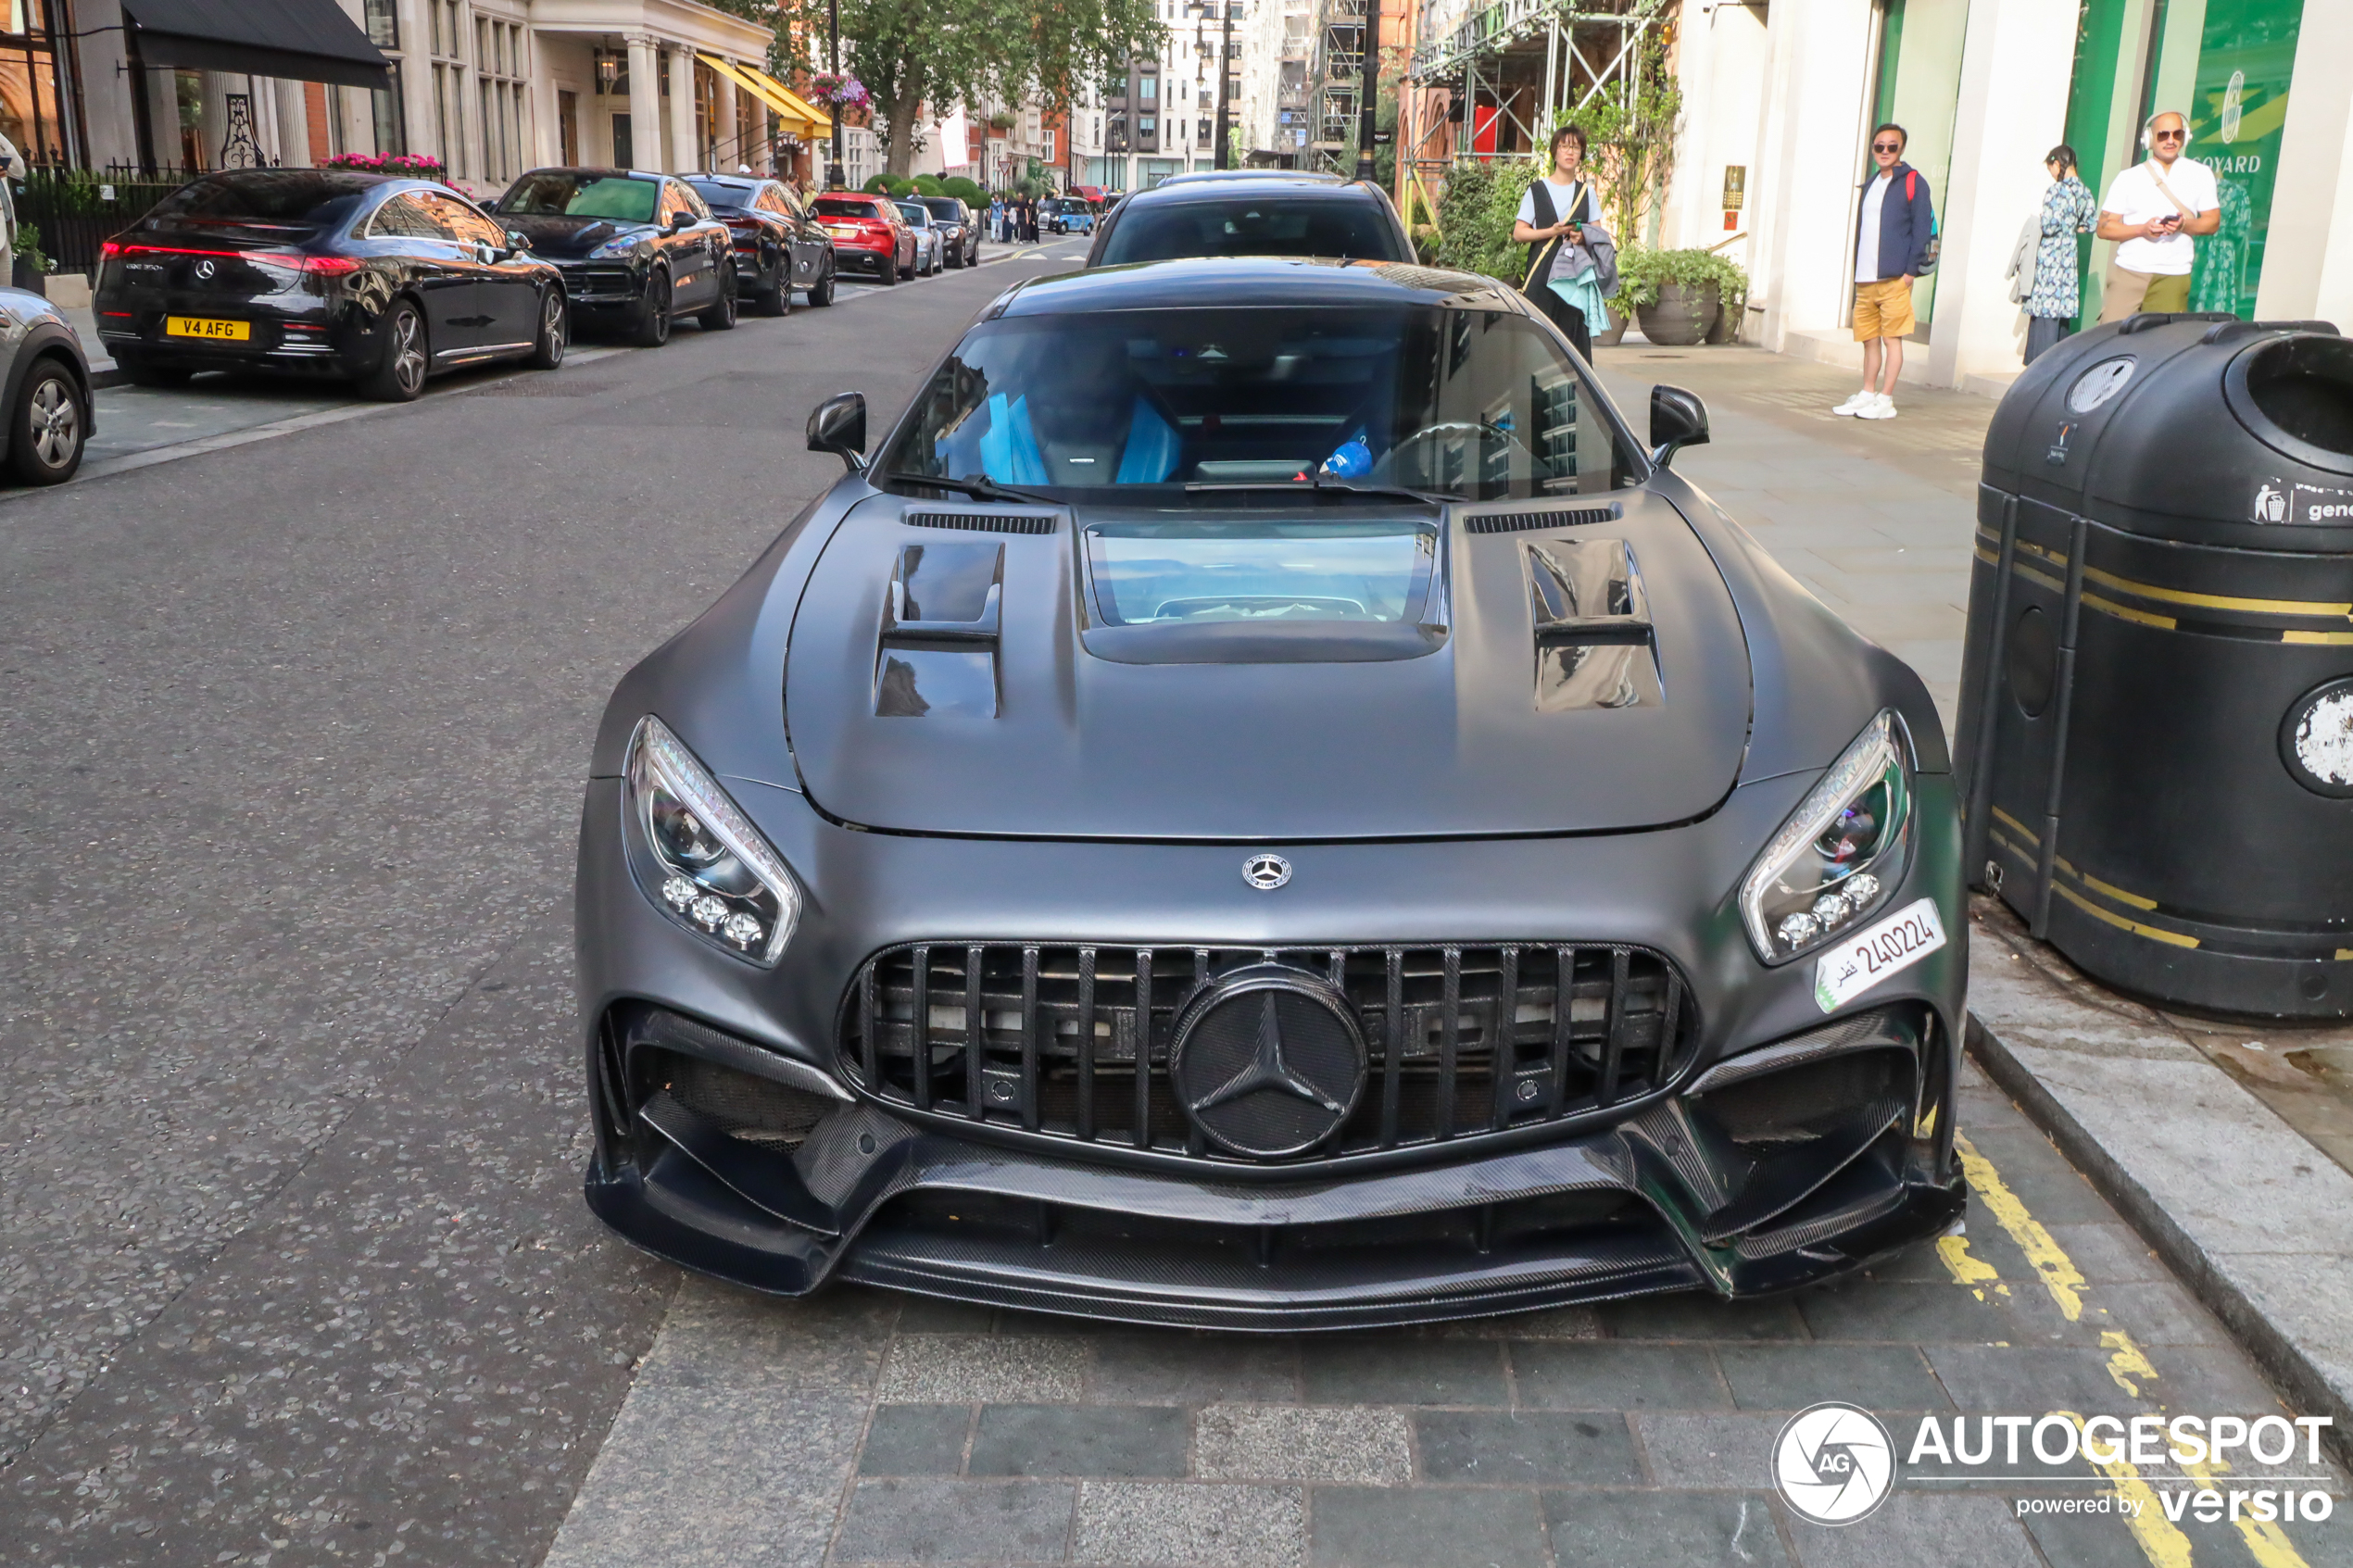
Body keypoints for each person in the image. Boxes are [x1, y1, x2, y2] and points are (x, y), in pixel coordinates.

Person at [1833, 122, 1936, 420]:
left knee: (1893, 339)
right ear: (1873, 148)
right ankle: (1867, 393)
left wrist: (1909, 272)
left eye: (1892, 146)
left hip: (1894, 278)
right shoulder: (1871, 184)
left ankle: (1886, 398)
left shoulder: (1914, 182)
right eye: (1880, 146)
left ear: (1901, 149)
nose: (1885, 151)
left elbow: (1920, 230)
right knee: (1869, 340)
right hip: (1865, 279)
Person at [2095, 109, 2218, 321]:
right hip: (2129, 272)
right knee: (2110, 342)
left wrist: (2183, 226)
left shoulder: (2201, 174)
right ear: (2150, 139)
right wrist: (2142, 229)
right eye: (2163, 135)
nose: (2171, 140)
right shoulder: (2128, 177)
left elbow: (2212, 223)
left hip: (2174, 275)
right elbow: (2104, 227)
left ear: (2185, 137)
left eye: (2177, 134)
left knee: (2163, 346)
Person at [1510, 124, 1612, 364]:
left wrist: (1582, 237)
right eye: (1564, 146)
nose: (1570, 152)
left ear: (1581, 155)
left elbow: (1596, 233)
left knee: (1573, 350)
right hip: (1542, 275)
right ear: (1554, 152)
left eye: (1576, 148)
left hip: (1575, 279)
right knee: (1537, 348)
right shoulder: (1537, 191)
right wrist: (1550, 232)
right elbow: (1519, 233)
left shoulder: (1587, 193)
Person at [2021, 144, 2098, 363]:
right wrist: (2072, 227)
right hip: (2069, 261)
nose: (2053, 175)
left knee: (2045, 313)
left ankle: (2038, 366)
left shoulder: (2056, 191)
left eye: (2051, 169)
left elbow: (2049, 225)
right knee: (2060, 317)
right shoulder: (2084, 191)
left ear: (2058, 164)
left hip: (2051, 261)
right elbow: (2091, 224)